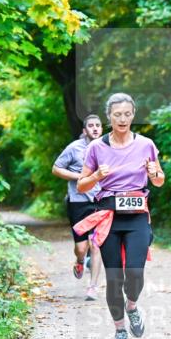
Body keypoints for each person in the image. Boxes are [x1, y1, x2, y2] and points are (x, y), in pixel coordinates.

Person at [74, 93, 164, 339]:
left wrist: (153, 173)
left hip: (137, 216)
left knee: (135, 273)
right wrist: (96, 176)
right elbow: (81, 186)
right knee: (114, 278)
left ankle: (132, 306)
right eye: (117, 115)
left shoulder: (146, 144)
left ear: (133, 115)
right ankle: (120, 330)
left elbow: (159, 180)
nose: (122, 119)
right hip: (108, 217)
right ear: (109, 117)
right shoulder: (96, 148)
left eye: (127, 114)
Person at [52, 114, 104, 300]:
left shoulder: (107, 148)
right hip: (78, 202)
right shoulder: (74, 148)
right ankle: (81, 260)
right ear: (85, 131)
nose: (95, 128)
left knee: (96, 244)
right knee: (82, 248)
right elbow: (56, 168)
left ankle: (92, 288)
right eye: (91, 125)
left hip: (100, 201)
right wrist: (79, 177)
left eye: (98, 125)